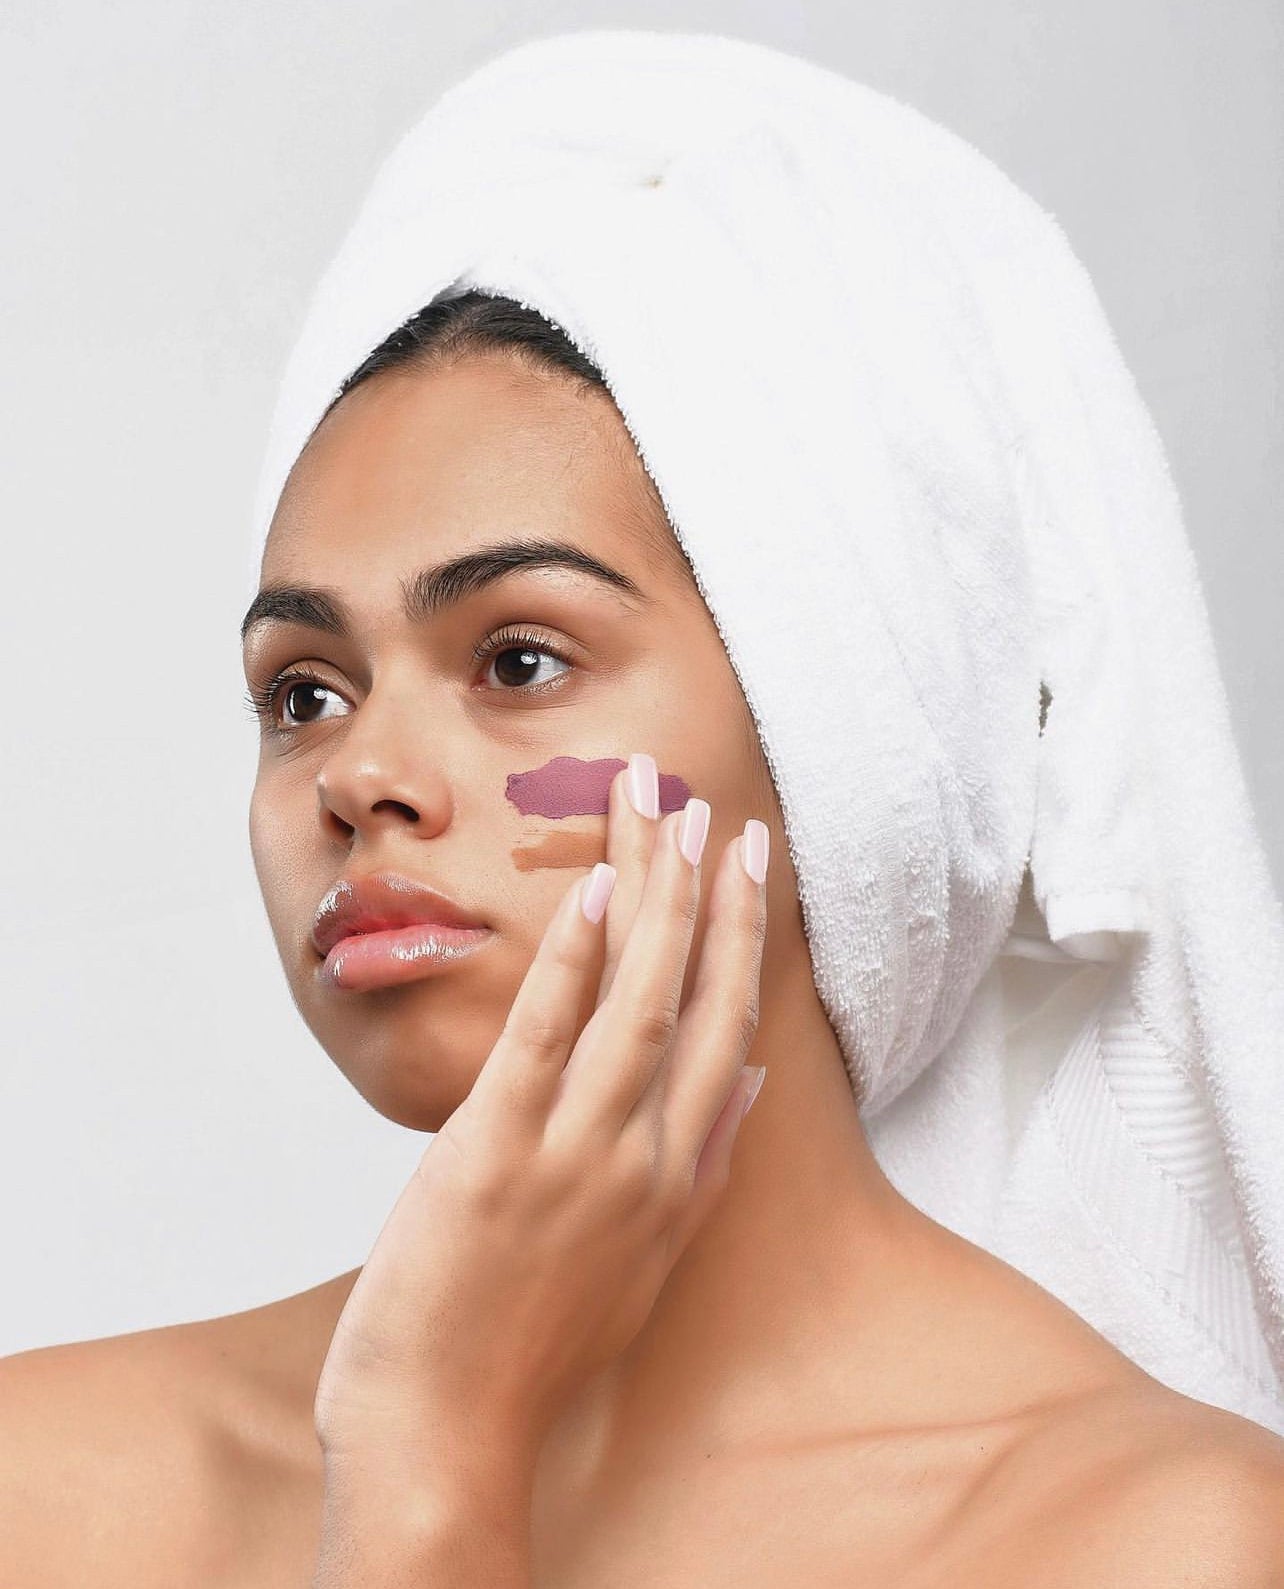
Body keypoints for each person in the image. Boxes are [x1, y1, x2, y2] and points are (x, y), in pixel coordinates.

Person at [4, 285, 1283, 1586]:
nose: (358, 772)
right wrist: (424, 1440)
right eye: (305, 691)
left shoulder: (1156, 1539)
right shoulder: (42, 1487)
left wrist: (433, 1463)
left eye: (518, 659)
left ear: (839, 752)